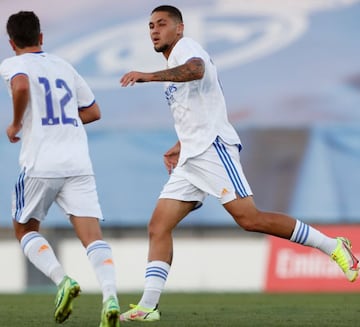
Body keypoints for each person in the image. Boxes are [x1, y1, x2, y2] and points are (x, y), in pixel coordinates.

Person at [119, 5, 359, 322]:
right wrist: (180, 144)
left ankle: (333, 246)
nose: (154, 30)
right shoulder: (173, 66)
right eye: (151, 25)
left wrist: (148, 76)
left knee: (249, 218)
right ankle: (148, 306)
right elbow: (203, 105)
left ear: (179, 28)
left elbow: (197, 70)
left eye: (162, 24)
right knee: (159, 226)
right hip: (193, 155)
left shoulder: (186, 49)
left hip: (213, 149)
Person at [0, 11, 120, 327]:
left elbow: (22, 87)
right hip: (78, 161)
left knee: (24, 228)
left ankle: (61, 280)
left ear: (11, 42)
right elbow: (94, 111)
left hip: (42, 161)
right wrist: (62, 120)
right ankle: (110, 297)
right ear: (41, 38)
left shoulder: (13, 64)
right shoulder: (64, 66)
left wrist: (16, 123)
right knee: (92, 236)